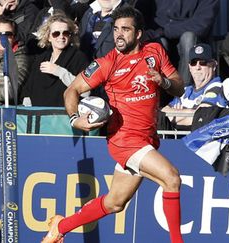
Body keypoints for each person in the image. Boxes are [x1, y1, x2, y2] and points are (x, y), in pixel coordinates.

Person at [42, 6, 185, 243]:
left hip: (147, 139)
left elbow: (179, 85)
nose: (119, 34)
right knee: (171, 178)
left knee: (114, 203)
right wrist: (74, 119)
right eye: (116, 29)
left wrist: (164, 82)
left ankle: (61, 226)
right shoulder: (107, 64)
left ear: (139, 34)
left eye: (125, 29)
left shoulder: (155, 52)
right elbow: (72, 90)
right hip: (124, 140)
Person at [135, 0, 220, 86]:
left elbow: (201, 25)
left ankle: (184, 91)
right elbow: (139, 14)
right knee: (159, 43)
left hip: (192, 42)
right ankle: (156, 92)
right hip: (160, 37)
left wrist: (164, 31)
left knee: (188, 39)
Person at [21, 13, 89, 106]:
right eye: (56, 33)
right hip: (39, 115)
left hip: (62, 116)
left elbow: (86, 91)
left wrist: (59, 72)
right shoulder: (41, 58)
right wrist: (29, 110)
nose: (61, 37)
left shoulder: (79, 58)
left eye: (66, 33)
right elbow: (29, 89)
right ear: (48, 36)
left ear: (70, 36)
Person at [162, 43, 224, 129]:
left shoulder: (217, 87)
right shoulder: (185, 90)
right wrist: (191, 112)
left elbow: (202, 117)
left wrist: (177, 112)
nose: (197, 67)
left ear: (213, 65)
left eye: (203, 63)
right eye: (193, 63)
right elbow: (163, 114)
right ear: (189, 67)